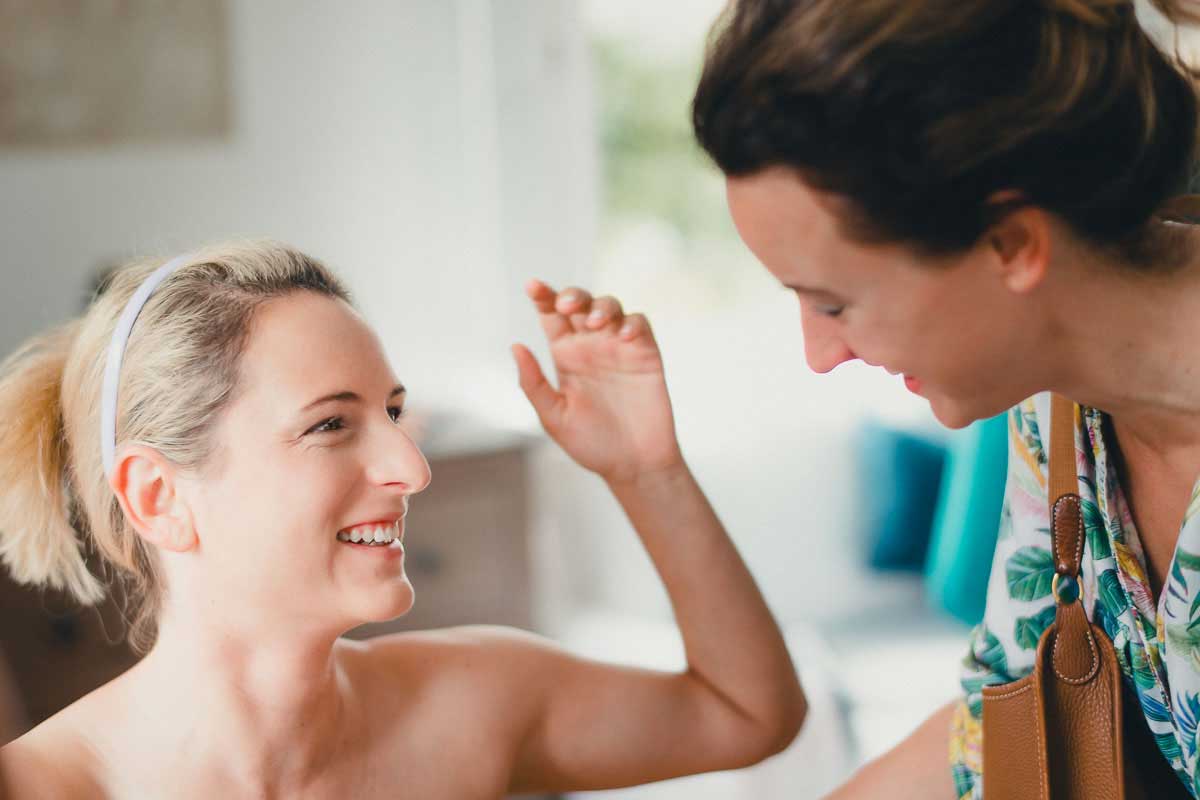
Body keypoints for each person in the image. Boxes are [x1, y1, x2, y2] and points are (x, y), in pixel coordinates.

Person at [0, 242, 805, 798]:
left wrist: (644, 470)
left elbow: (747, 714)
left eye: (393, 412)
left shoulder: (472, 702)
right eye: (329, 424)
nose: (412, 470)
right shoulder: (41, 788)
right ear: (158, 497)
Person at [691, 0, 1200, 797]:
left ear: (1011, 244)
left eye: (833, 303)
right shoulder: (1059, 411)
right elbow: (1001, 723)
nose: (820, 356)